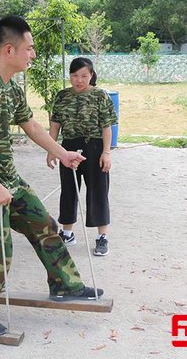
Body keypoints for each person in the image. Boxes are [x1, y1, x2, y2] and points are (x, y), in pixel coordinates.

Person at [0, 15, 103, 336]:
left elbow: (30, 125)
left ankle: (64, 284)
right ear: (9, 50)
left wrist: (62, 153)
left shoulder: (9, 86)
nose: (33, 54)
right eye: (29, 48)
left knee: (44, 226)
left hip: (6, 179)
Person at [48, 57, 116, 257]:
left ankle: (102, 237)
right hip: (68, 147)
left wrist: (106, 152)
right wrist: (52, 149)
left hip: (94, 147)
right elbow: (55, 125)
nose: (79, 80)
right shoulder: (62, 96)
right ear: (70, 76)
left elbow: (107, 126)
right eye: (75, 75)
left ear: (92, 76)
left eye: (84, 76)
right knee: (68, 190)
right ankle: (67, 233)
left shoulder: (100, 96)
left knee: (98, 191)